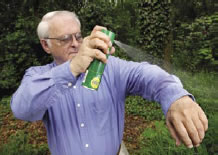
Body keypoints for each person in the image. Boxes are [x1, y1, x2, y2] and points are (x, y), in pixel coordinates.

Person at [10, 10, 208, 155]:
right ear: (46, 45)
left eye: (78, 36)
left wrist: (176, 97)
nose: (75, 43)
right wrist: (72, 69)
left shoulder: (108, 66)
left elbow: (147, 74)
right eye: (64, 39)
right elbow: (22, 109)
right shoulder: (38, 76)